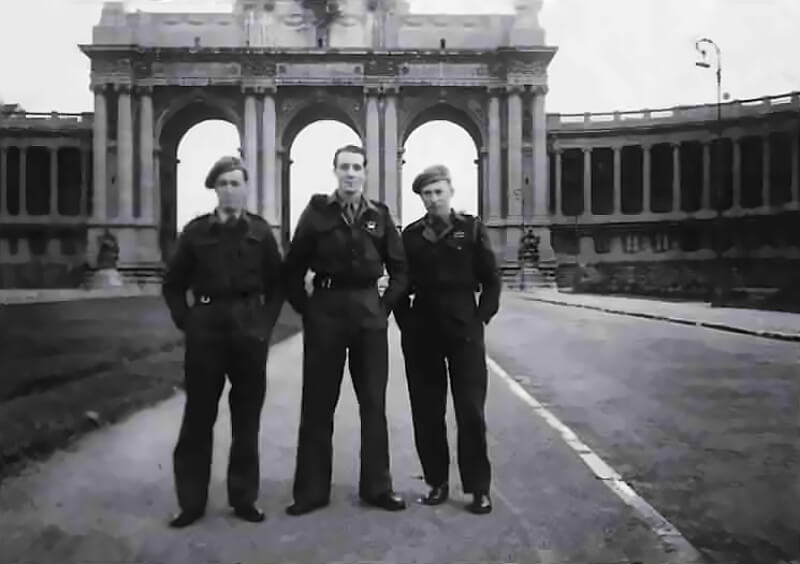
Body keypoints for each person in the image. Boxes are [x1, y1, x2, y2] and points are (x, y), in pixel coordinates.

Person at [283, 144, 408, 516]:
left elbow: (400, 270)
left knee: (373, 404)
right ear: (335, 171)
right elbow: (292, 268)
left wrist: (383, 307)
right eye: (344, 167)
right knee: (318, 404)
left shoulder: (379, 216)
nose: (351, 174)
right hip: (326, 311)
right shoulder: (316, 213)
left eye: (357, 167)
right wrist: (309, 310)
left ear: (365, 173)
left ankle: (377, 487)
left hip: (368, 313)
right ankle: (311, 492)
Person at [162, 156, 283, 528]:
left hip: (248, 328)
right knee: (198, 416)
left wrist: (264, 324)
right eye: (224, 184)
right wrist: (189, 322)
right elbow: (173, 284)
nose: (231, 190)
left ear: (246, 188)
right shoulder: (195, 232)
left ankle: (244, 498)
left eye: (236, 183)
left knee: (246, 419)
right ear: (214, 189)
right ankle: (191, 503)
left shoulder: (261, 233)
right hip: (207, 329)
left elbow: (277, 284)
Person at [394, 164, 501, 515]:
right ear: (421, 197)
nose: (433, 198)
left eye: (439, 191)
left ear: (450, 191)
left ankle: (478, 489)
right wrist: (406, 323)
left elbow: (491, 279)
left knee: (470, 411)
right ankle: (436, 482)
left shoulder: (471, 229)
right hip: (422, 331)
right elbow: (400, 283)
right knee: (428, 411)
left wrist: (479, 319)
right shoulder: (410, 237)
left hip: (463, 329)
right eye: (427, 193)